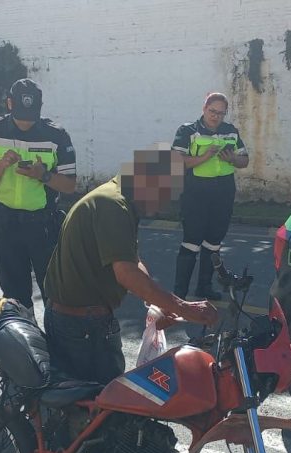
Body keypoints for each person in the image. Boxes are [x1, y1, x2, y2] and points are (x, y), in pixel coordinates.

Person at [44, 148, 219, 385]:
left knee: (108, 397)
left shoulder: (119, 199)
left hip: (89, 318)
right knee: (98, 400)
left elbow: (132, 259)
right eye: (163, 195)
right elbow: (126, 273)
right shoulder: (112, 205)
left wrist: (162, 303)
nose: (161, 206)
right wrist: (184, 308)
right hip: (79, 324)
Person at [0, 79, 77, 309]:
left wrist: (43, 175)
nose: (26, 123)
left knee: (55, 295)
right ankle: (24, 342)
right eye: (21, 115)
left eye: (31, 115)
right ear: (9, 104)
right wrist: (1, 164)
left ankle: (59, 343)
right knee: (15, 298)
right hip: (6, 225)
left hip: (44, 227)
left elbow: (69, 185)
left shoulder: (56, 135)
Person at [171, 93, 249, 301]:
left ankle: (204, 287)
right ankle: (179, 294)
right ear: (204, 108)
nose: (216, 116)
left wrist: (232, 157)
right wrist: (205, 156)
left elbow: (244, 160)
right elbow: (176, 162)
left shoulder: (230, 131)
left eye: (220, 113)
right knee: (191, 242)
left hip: (223, 194)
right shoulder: (187, 130)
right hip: (195, 195)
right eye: (212, 111)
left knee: (214, 242)